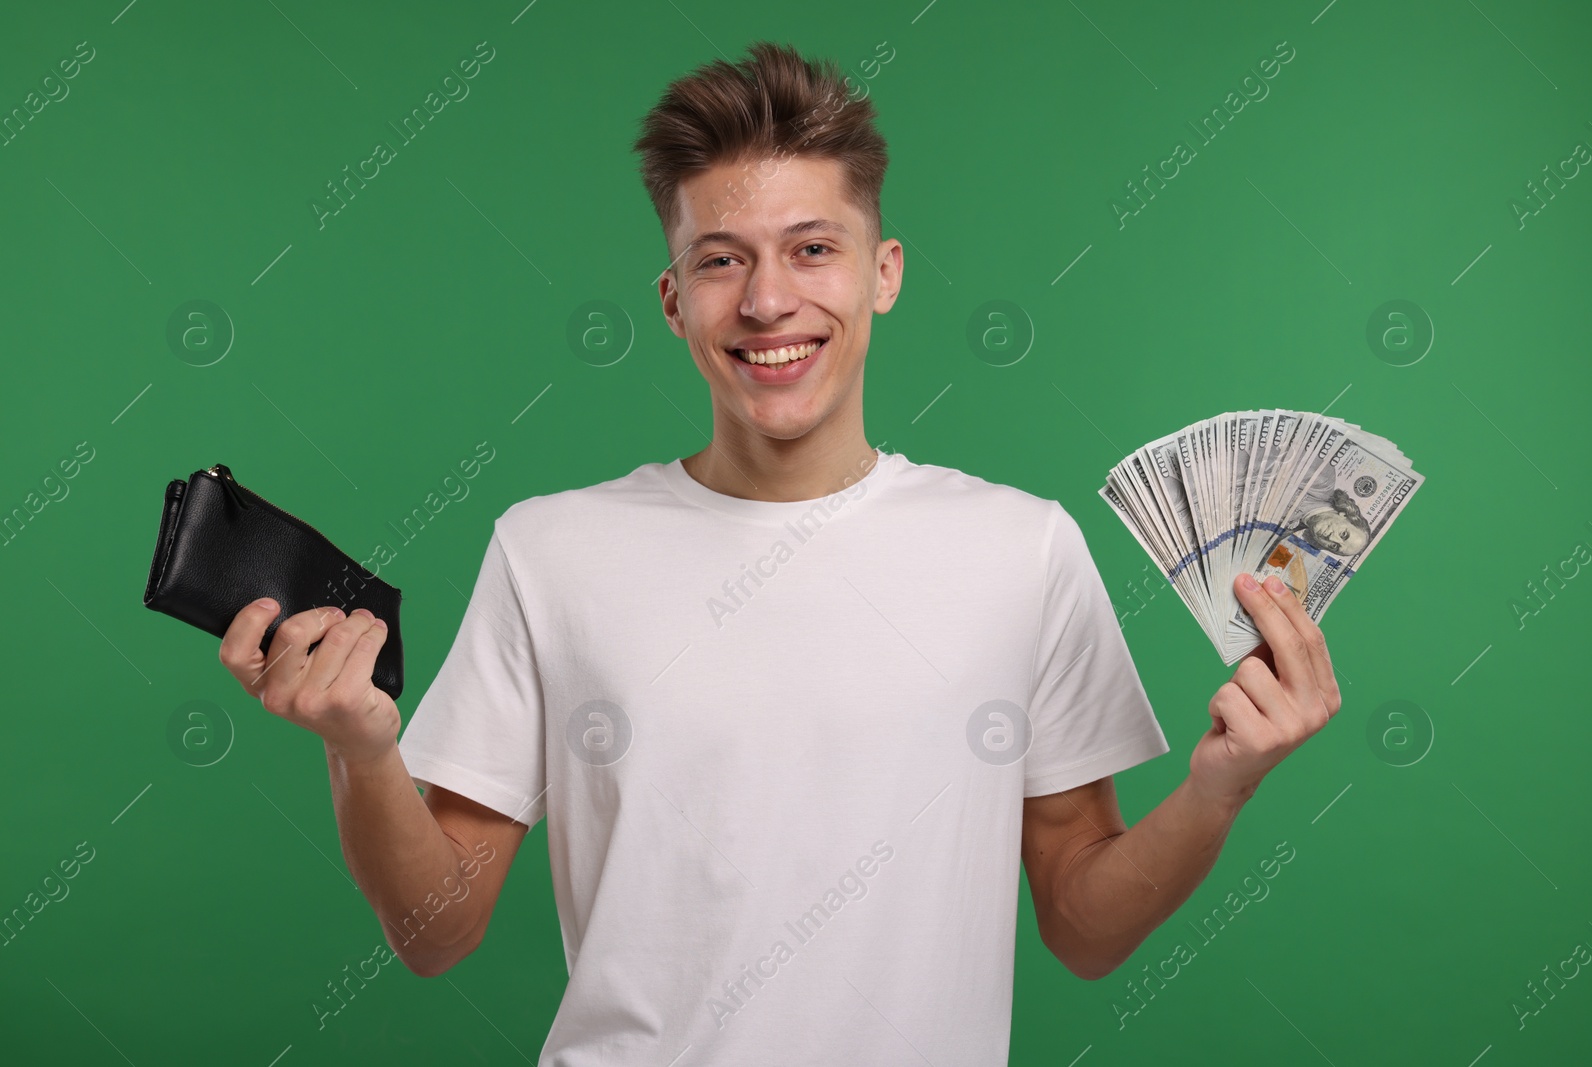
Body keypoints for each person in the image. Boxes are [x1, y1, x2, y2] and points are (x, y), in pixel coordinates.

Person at [218, 42, 1342, 1065]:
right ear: (671, 299)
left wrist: (1217, 789)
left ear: (884, 272)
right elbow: (435, 934)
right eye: (720, 260)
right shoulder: (550, 550)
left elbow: (1083, 927)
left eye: (813, 249)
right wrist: (364, 755)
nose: (767, 300)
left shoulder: (1021, 546)